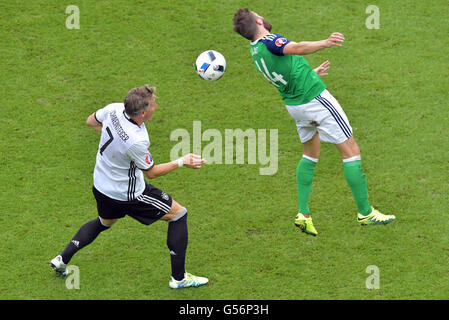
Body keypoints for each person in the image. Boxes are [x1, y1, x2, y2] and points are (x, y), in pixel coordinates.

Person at [232, 9, 395, 236]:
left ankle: (303, 214)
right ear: (258, 21)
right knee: (351, 151)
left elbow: (283, 73)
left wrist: (311, 73)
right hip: (315, 99)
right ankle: (365, 213)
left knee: (310, 154)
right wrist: (325, 43)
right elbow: (296, 48)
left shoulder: (255, 51)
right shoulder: (269, 40)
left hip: (295, 106)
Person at [50, 84, 209, 288]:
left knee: (103, 222)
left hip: (101, 186)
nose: (156, 107)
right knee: (178, 214)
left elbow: (90, 121)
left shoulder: (114, 109)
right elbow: (151, 172)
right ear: (142, 112)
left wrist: (117, 142)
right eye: (153, 105)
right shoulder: (136, 140)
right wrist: (181, 161)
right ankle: (179, 279)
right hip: (129, 194)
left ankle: (62, 260)